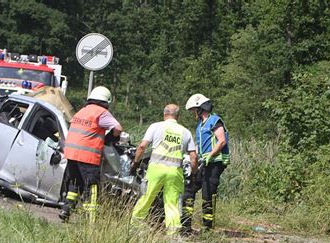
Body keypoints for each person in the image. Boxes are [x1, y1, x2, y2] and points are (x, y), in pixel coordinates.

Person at [130, 104, 198, 235]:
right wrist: (193, 175)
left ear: (164, 114)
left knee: (146, 198)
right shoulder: (185, 132)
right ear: (178, 116)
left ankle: (134, 228)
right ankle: (172, 235)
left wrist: (135, 164)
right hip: (175, 172)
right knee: (172, 204)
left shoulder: (155, 126)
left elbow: (142, 147)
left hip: (155, 169)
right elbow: (193, 157)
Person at [59, 86, 123, 223]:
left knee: (75, 183)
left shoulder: (82, 111)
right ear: (106, 101)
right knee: (92, 186)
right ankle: (91, 219)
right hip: (88, 155)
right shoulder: (101, 112)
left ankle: (66, 209)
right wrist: (110, 138)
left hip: (71, 153)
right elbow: (118, 128)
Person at [182, 93, 230, 232]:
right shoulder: (200, 125)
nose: (193, 113)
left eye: (193, 110)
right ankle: (186, 225)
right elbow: (200, 145)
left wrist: (210, 156)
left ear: (200, 108)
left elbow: (221, 141)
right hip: (204, 162)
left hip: (215, 162)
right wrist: (192, 156)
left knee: (207, 193)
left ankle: (207, 228)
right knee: (189, 189)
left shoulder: (215, 121)